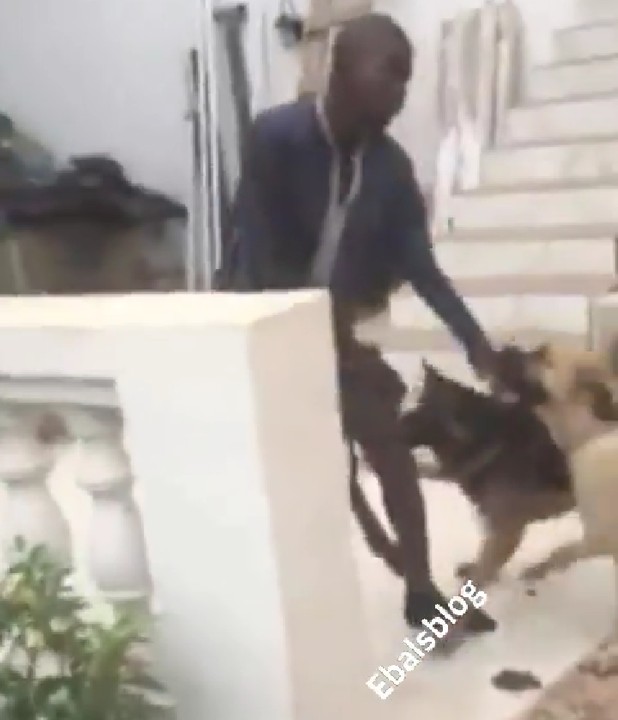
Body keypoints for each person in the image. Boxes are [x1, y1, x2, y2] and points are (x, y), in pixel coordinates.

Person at [217, 13, 497, 634]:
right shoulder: (276, 137)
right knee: (298, 477)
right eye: (390, 75)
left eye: (406, 79)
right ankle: (290, 604)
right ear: (340, 72)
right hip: (259, 332)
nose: (400, 93)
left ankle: (420, 590)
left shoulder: (391, 168)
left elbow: (420, 266)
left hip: (333, 333)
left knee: (389, 449)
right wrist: (327, 337)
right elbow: (261, 256)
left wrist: (476, 343)